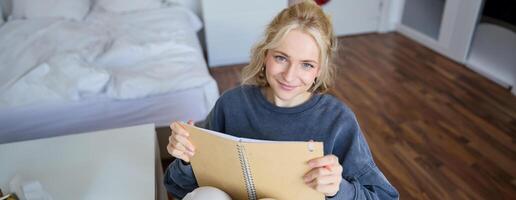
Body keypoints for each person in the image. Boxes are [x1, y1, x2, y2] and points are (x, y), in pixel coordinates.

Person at [164, 1, 399, 199]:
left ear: (319, 70)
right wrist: (186, 161)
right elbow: (176, 186)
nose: (289, 76)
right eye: (281, 58)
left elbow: (385, 196)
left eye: (306, 65)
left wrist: (340, 189)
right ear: (265, 55)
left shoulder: (337, 120)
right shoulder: (232, 104)